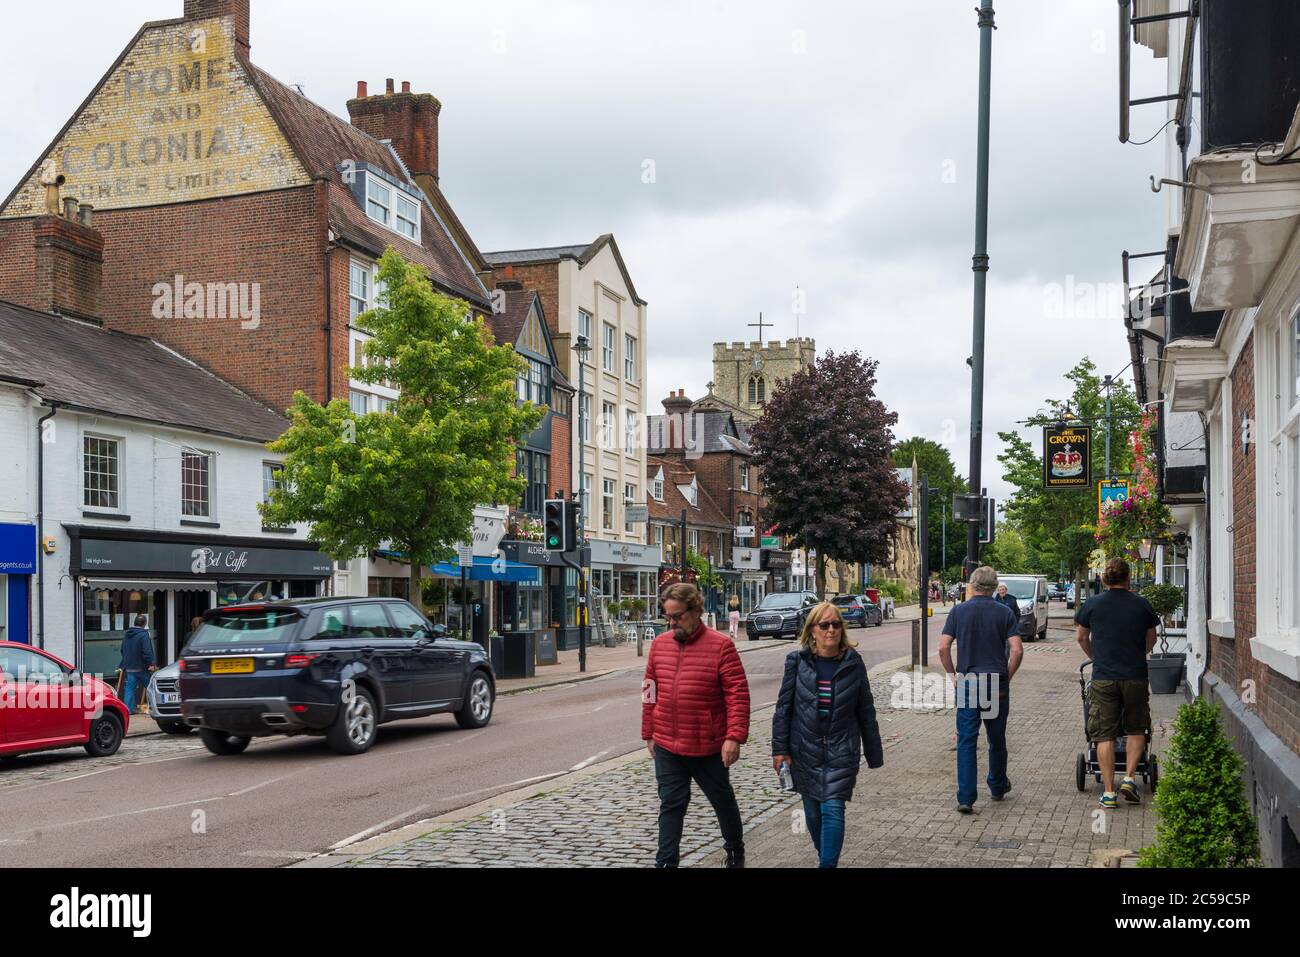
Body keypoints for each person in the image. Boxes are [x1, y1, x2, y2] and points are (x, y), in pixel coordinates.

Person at [643, 582, 751, 868]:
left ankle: (735, 852)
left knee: (722, 801)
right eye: (667, 617)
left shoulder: (721, 646)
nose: (672, 623)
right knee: (671, 804)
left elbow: (737, 694)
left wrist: (734, 737)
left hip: (708, 744)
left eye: (677, 616)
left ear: (696, 611)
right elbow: (649, 689)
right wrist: (648, 733)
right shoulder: (659, 645)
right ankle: (666, 862)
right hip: (667, 742)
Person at [771, 601, 883, 867]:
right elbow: (784, 708)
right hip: (804, 749)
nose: (831, 630)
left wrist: (874, 753)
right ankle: (826, 858)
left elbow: (865, 710)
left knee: (833, 808)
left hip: (841, 749)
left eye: (835, 624)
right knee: (812, 813)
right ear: (812, 630)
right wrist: (780, 749)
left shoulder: (853, 662)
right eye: (824, 625)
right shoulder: (796, 662)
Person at [938, 566, 1023, 813]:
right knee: (996, 737)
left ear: (972, 585)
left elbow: (943, 647)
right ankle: (997, 786)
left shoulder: (958, 611)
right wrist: (1007, 676)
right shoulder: (1004, 612)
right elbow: (1017, 650)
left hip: (968, 682)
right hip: (995, 683)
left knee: (966, 740)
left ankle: (966, 797)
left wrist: (953, 674)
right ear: (995, 586)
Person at [1075, 558, 1159, 809]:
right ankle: (1130, 779)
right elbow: (1152, 638)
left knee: (1104, 734)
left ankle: (1109, 792)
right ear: (1128, 578)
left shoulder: (1093, 604)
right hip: (1135, 675)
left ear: (1104, 579)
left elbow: (1081, 636)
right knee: (1136, 728)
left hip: (1104, 677)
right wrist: (1137, 653)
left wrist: (1095, 657)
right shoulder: (1142, 605)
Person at [118, 614, 157, 713]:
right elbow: (147, 651)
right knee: (151, 687)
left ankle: (127, 711)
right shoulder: (144, 634)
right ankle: (154, 708)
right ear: (144, 624)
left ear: (134, 622)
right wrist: (151, 664)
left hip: (129, 667)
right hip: (141, 667)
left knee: (129, 689)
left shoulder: (127, 634)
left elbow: (122, 650)